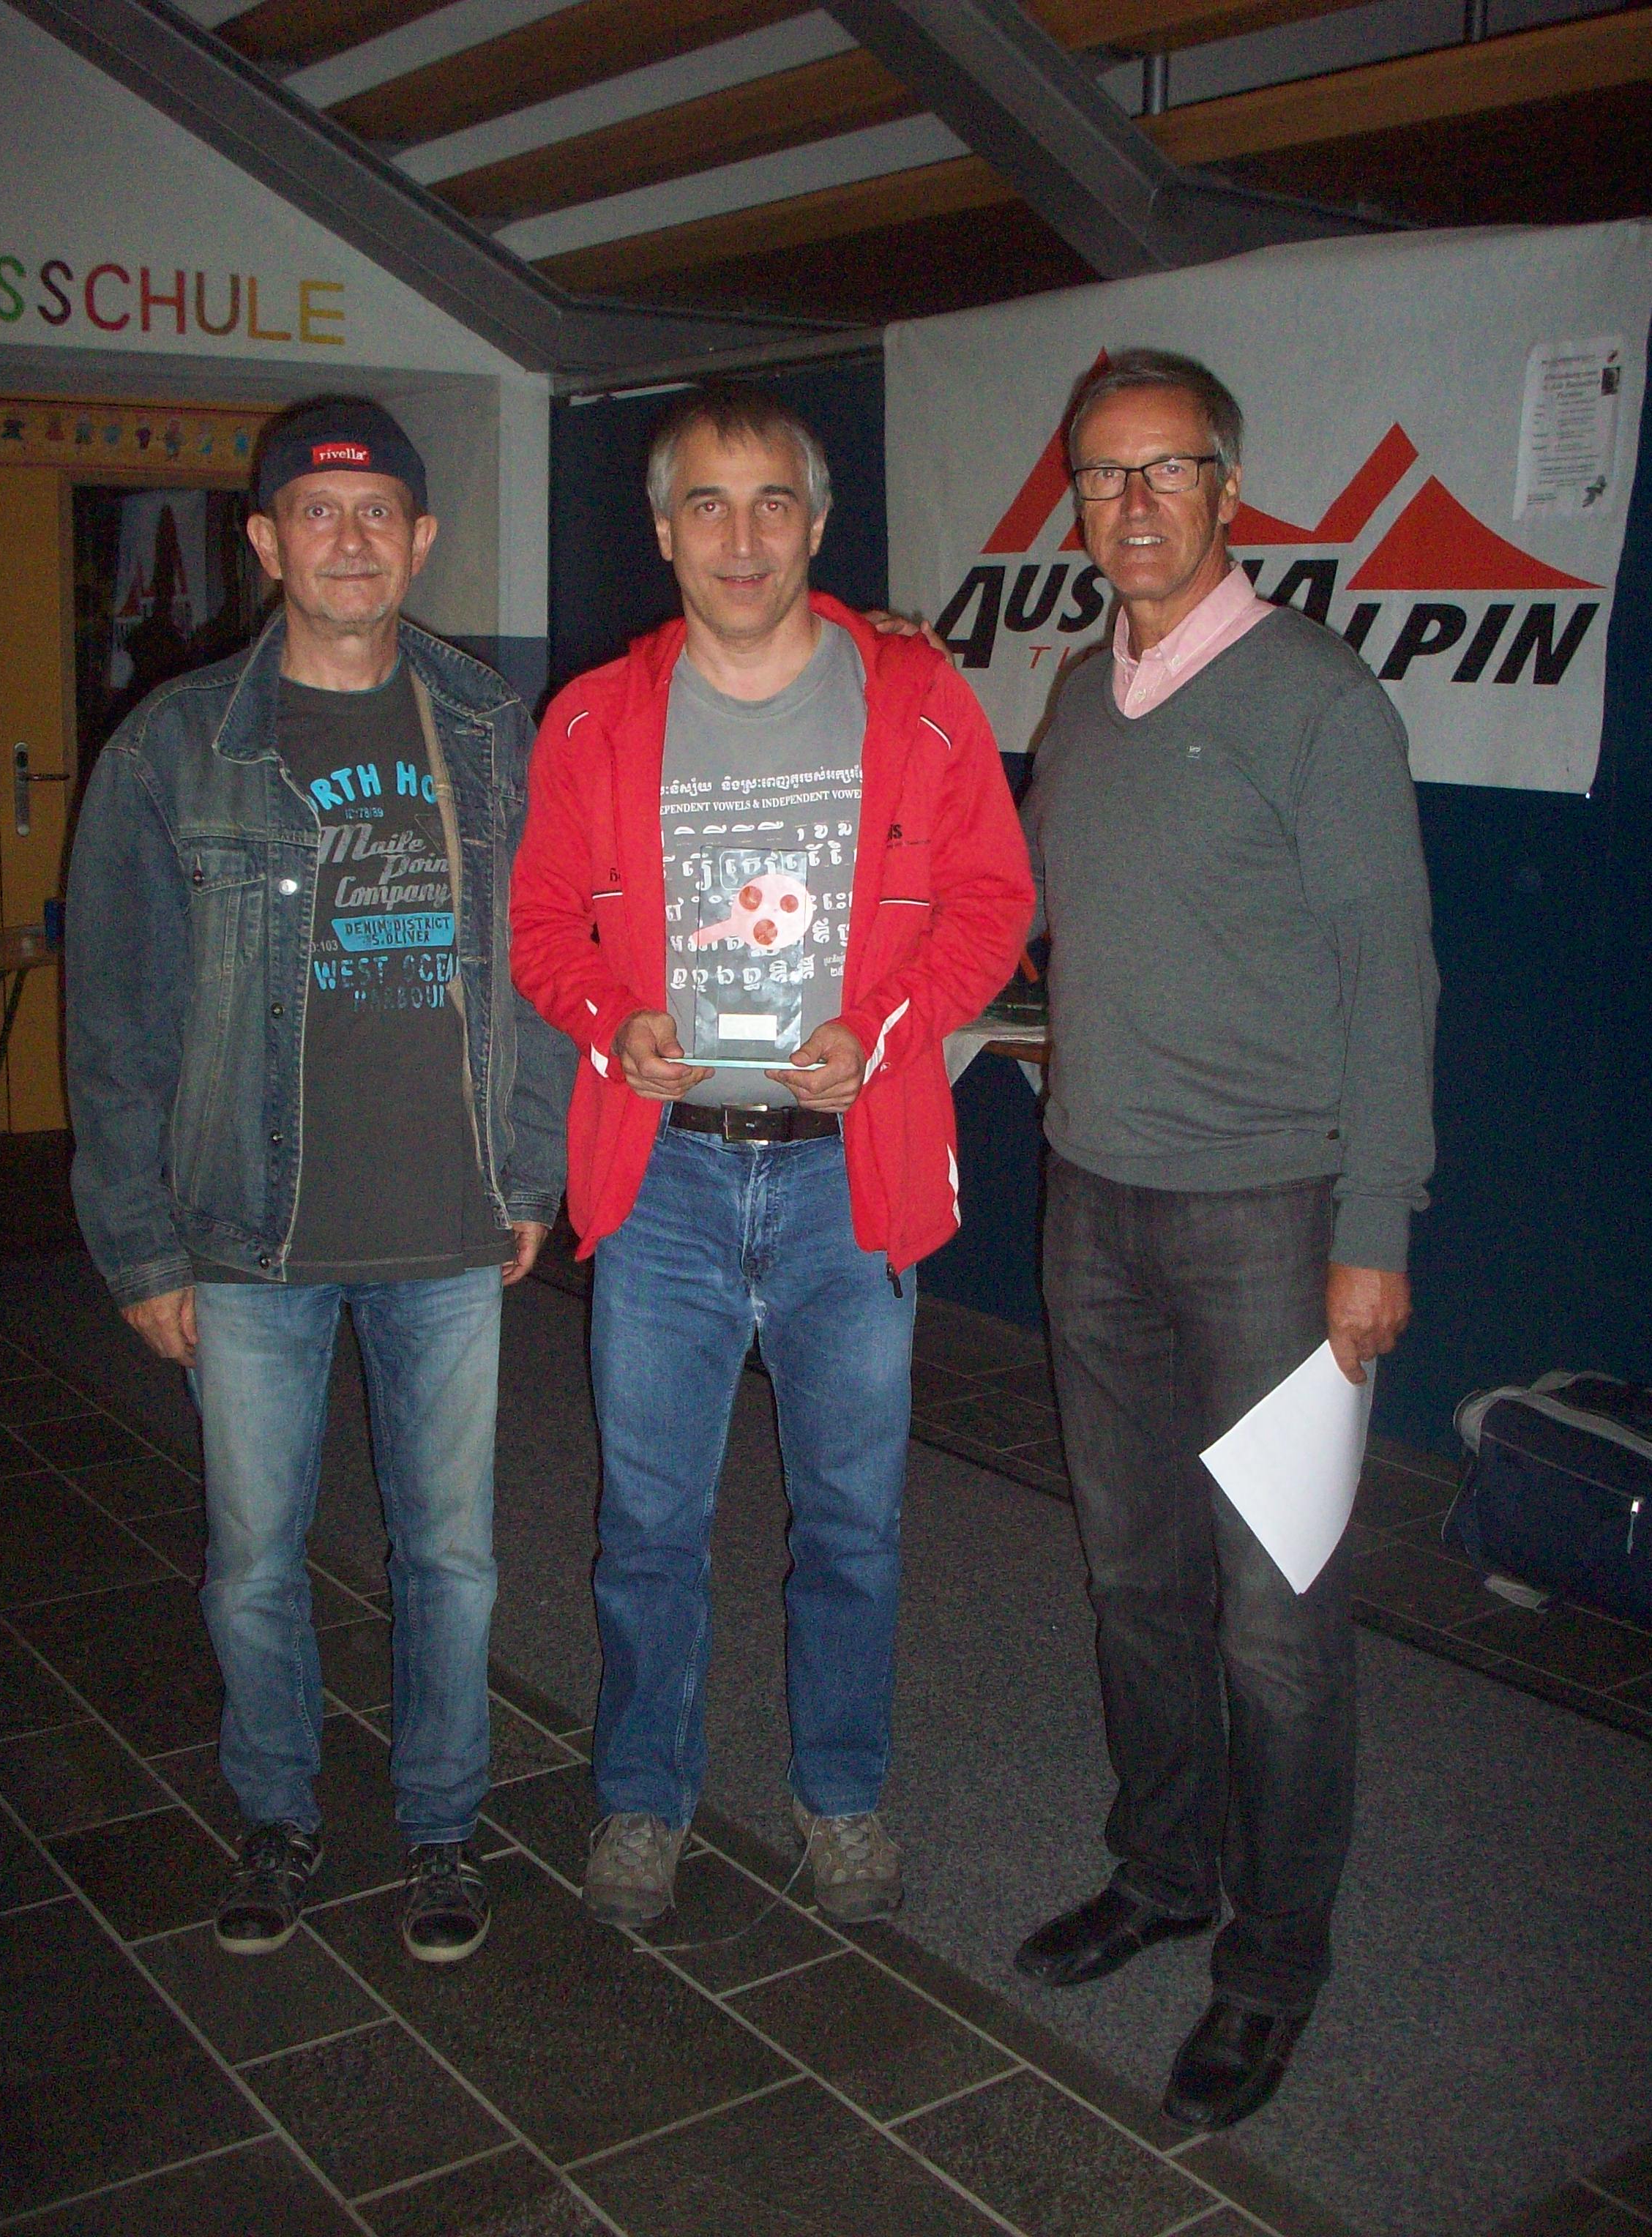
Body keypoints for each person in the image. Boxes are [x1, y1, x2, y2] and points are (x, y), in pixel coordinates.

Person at [509, 381, 1034, 1927]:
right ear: (664, 531)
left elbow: (994, 906)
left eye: (772, 504)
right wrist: (610, 1018)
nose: (741, 539)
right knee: (649, 1523)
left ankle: (843, 1795)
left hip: (846, 1175)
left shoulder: (918, 701)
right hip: (664, 1177)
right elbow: (540, 928)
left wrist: (888, 1028)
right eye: (708, 506)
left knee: (853, 1523)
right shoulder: (593, 719)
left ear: (817, 523)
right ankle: (642, 1798)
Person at [66, 397, 575, 1965]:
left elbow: (549, 965)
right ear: (266, 541)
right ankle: (278, 1813)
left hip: (446, 1224)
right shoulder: (175, 747)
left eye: (378, 514)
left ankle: (441, 1825)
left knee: (453, 1560)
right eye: (317, 512)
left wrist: (531, 1167)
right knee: (252, 1566)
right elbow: (116, 1014)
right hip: (247, 1230)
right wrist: (142, 1244)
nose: (350, 539)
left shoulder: (489, 727)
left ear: (421, 541)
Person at [1015, 349, 1438, 2128]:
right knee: (1135, 1581)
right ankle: (1166, 1869)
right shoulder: (1074, 696)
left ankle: (1273, 1962)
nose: (1133, 504)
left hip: (1271, 1220)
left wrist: (1373, 1227)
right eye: (1103, 476)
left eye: (1166, 470)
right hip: (1092, 1201)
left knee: (1277, 1618)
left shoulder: (1319, 699)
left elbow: (1391, 978)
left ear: (1229, 491)